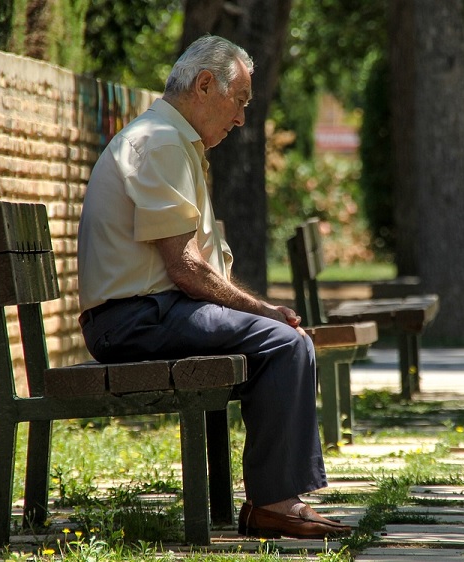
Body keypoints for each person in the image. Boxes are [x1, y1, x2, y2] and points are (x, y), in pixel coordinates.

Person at [76, 35, 349, 540]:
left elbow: (198, 268)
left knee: (284, 343)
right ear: (204, 85)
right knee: (285, 344)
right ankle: (274, 503)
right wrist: (261, 309)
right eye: (239, 101)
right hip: (135, 319)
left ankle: (274, 498)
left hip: (150, 313)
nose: (242, 118)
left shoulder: (173, 141)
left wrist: (256, 312)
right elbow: (186, 268)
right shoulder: (160, 141)